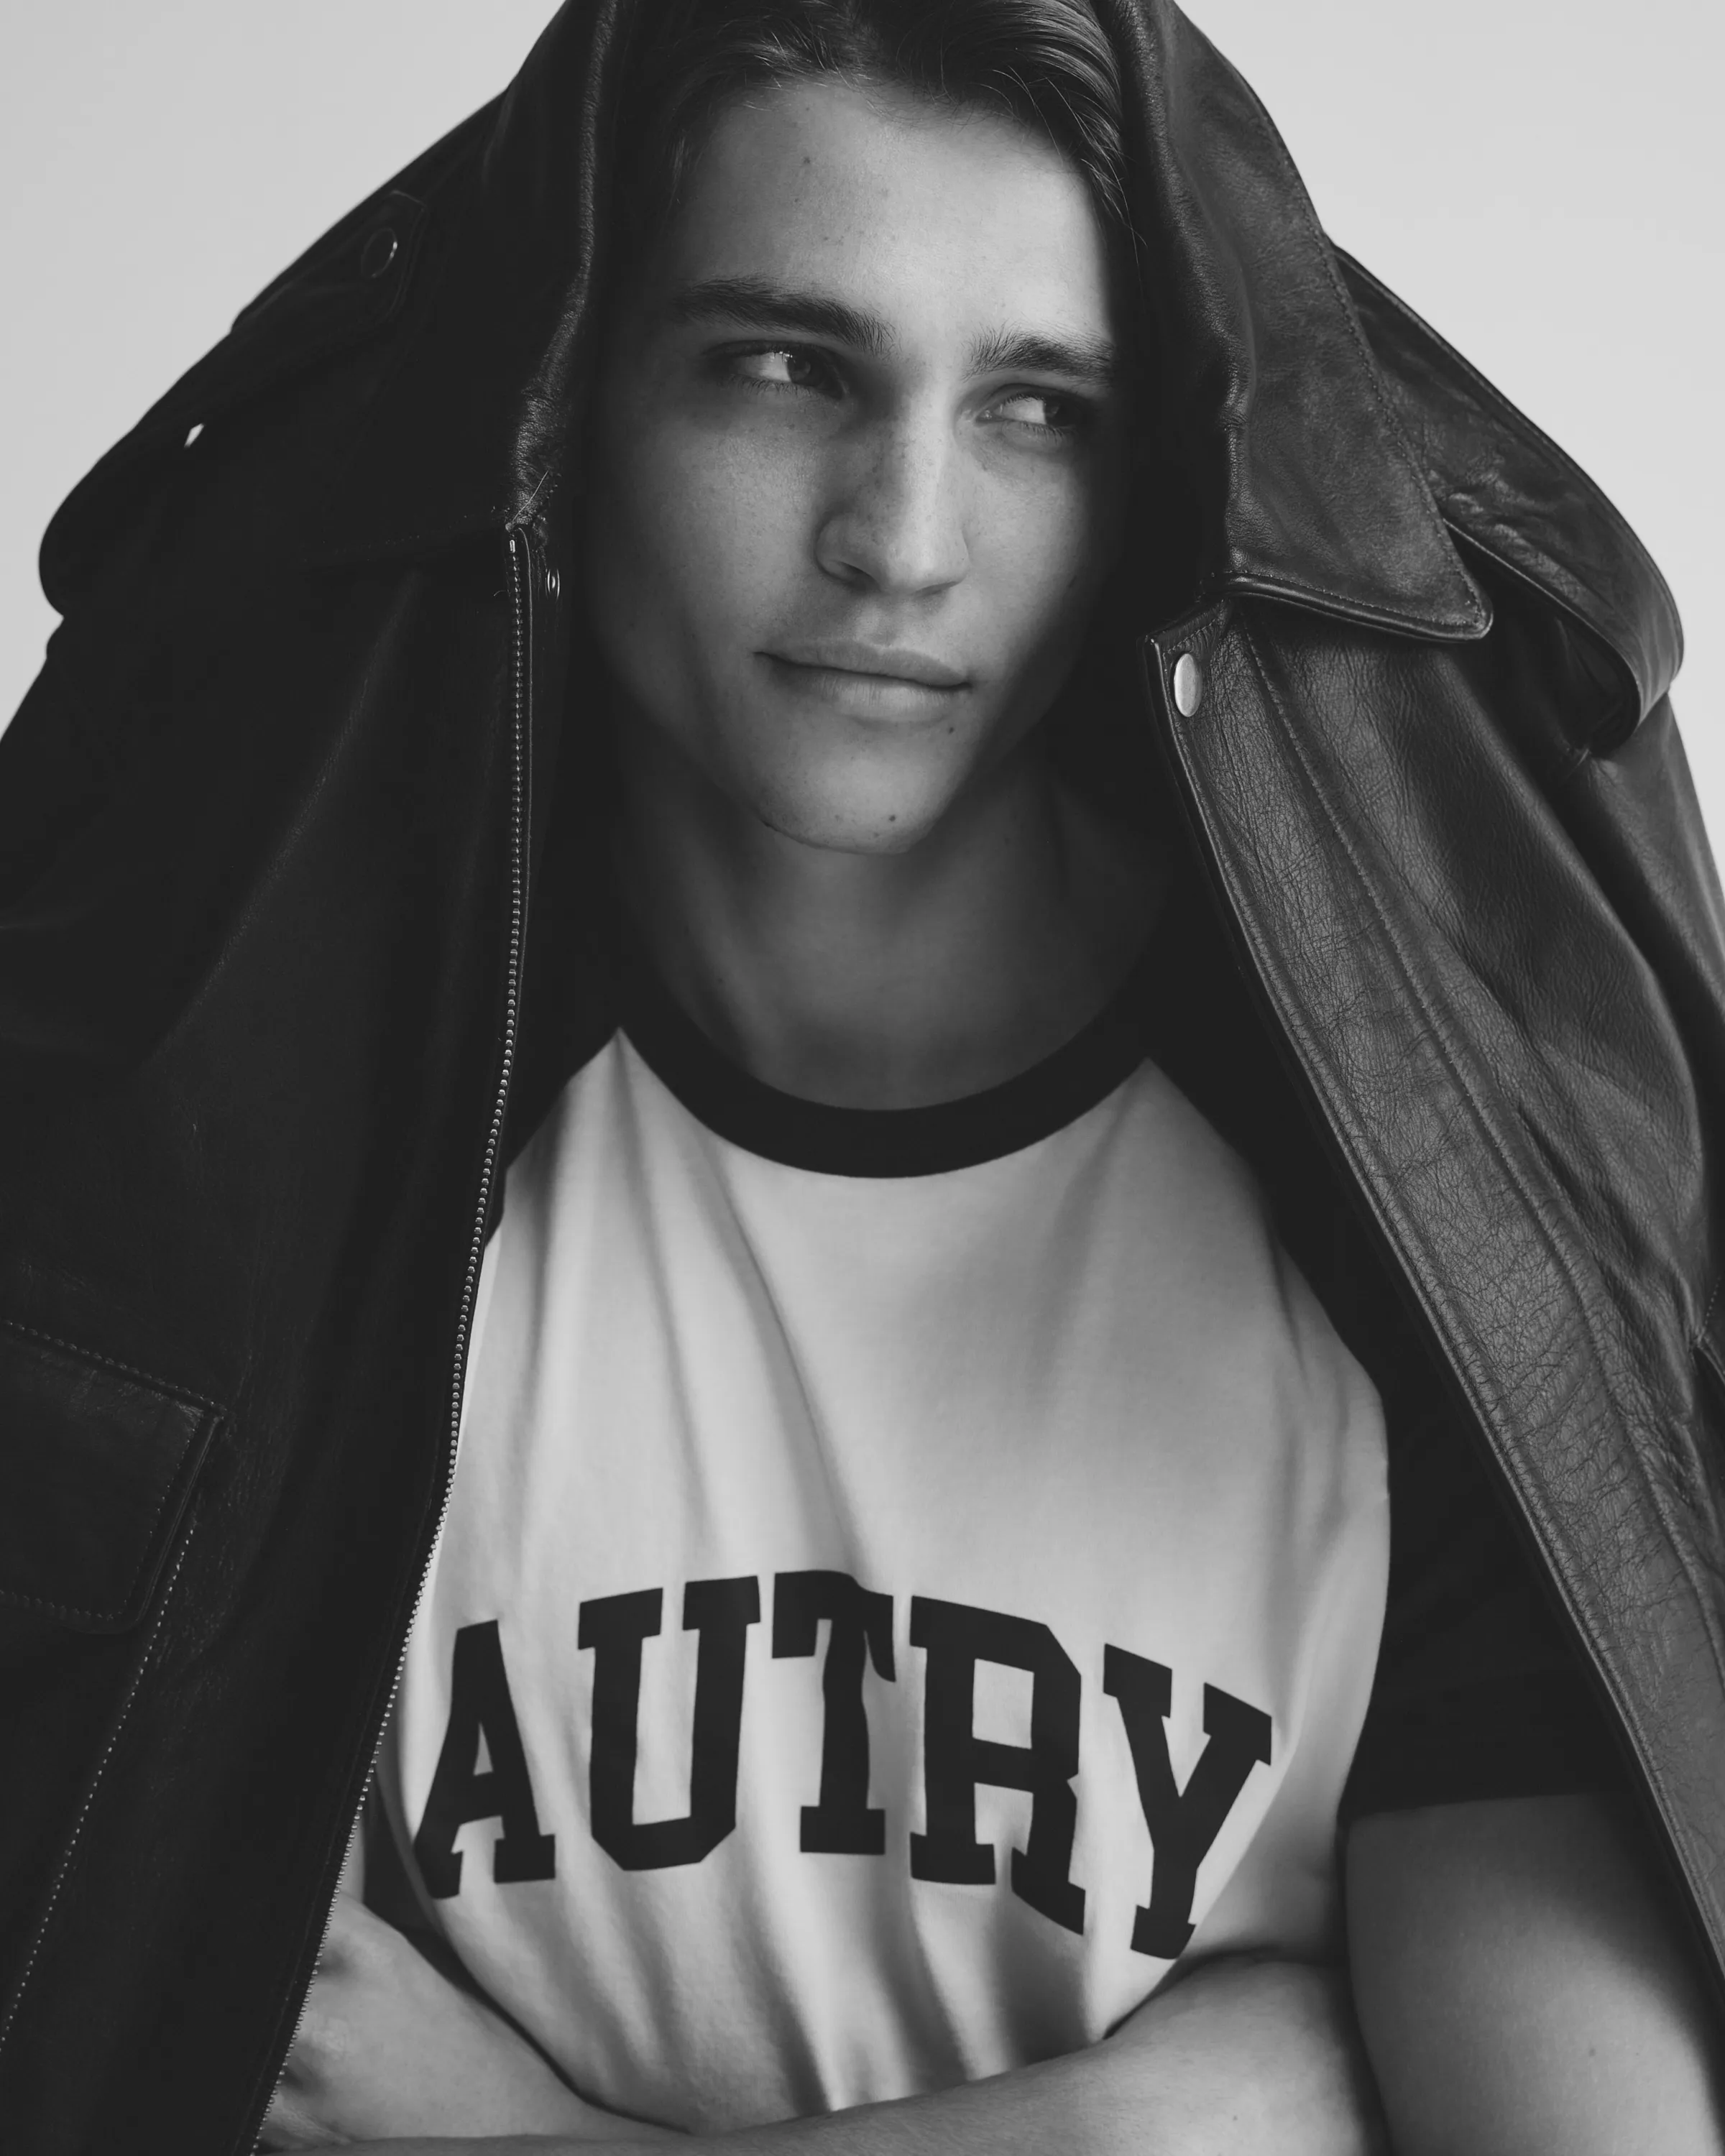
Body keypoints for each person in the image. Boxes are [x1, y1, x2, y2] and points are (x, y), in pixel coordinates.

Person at [0, 3, 1721, 2152]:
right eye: (788, 366)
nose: (902, 539)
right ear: (564, 410)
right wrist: (1164, 2127)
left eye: (1038, 408)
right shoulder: (274, 1143)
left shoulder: (1413, 1184)